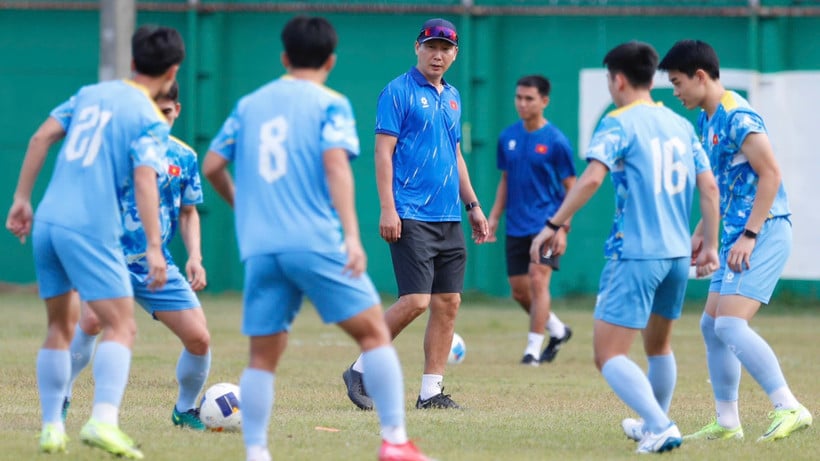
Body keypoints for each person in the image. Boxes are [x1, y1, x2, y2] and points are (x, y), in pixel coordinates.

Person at [201, 16, 432, 461]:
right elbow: (335, 165)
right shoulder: (330, 103)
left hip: (262, 247)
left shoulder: (250, 103)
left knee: (262, 357)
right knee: (375, 338)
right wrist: (352, 235)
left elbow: (212, 165)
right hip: (314, 241)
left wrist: (245, 208)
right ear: (331, 60)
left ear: (285, 57)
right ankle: (396, 442)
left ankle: (257, 453)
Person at [529, 41, 720, 454]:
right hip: (675, 256)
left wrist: (553, 224)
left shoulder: (618, 122)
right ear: (651, 77)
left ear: (617, 80)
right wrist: (710, 245)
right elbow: (709, 187)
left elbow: (592, 178)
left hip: (635, 253)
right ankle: (656, 424)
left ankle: (660, 423)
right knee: (658, 346)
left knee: (608, 355)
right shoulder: (680, 125)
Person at [5, 25, 183, 458]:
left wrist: (21, 200)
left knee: (59, 328)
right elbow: (145, 180)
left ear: (134, 62)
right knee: (121, 325)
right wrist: (156, 248)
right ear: (172, 69)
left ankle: (51, 428)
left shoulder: (90, 93)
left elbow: (40, 137)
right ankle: (103, 421)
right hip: (90, 227)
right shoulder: (149, 117)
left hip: (48, 220)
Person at [658, 39, 813, 442]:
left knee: (729, 323)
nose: (675, 93)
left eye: (677, 83)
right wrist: (701, 235)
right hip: (734, 236)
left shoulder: (737, 115)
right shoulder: (707, 121)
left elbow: (771, 175)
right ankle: (727, 422)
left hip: (763, 231)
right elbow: (723, 188)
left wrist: (750, 234)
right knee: (711, 326)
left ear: (700, 76)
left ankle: (790, 407)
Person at [342, 17, 489, 412]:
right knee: (415, 301)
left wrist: (472, 205)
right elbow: (382, 152)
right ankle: (360, 368)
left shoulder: (454, 97)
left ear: (455, 54)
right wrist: (388, 208)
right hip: (410, 213)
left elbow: (455, 155)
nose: (438, 54)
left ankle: (430, 392)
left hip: (449, 216)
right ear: (417, 48)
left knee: (449, 302)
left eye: (446, 48)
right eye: (431, 46)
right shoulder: (398, 91)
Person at [62, 80, 212, 431]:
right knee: (93, 321)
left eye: (166, 112)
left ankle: (185, 410)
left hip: (156, 265)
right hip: (108, 257)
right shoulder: (117, 150)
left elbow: (189, 212)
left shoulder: (184, 156)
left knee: (199, 338)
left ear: (177, 111)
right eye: (152, 111)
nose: (160, 119)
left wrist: (196, 256)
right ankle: (62, 396)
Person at [487, 75, 576, 366]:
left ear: (544, 102)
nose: (522, 104)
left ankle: (532, 352)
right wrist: (494, 217)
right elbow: (505, 180)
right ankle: (558, 330)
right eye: (518, 97)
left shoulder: (557, 141)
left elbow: (572, 189)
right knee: (519, 291)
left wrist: (562, 228)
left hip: (546, 225)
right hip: (516, 225)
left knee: (539, 282)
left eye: (529, 98)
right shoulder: (507, 137)